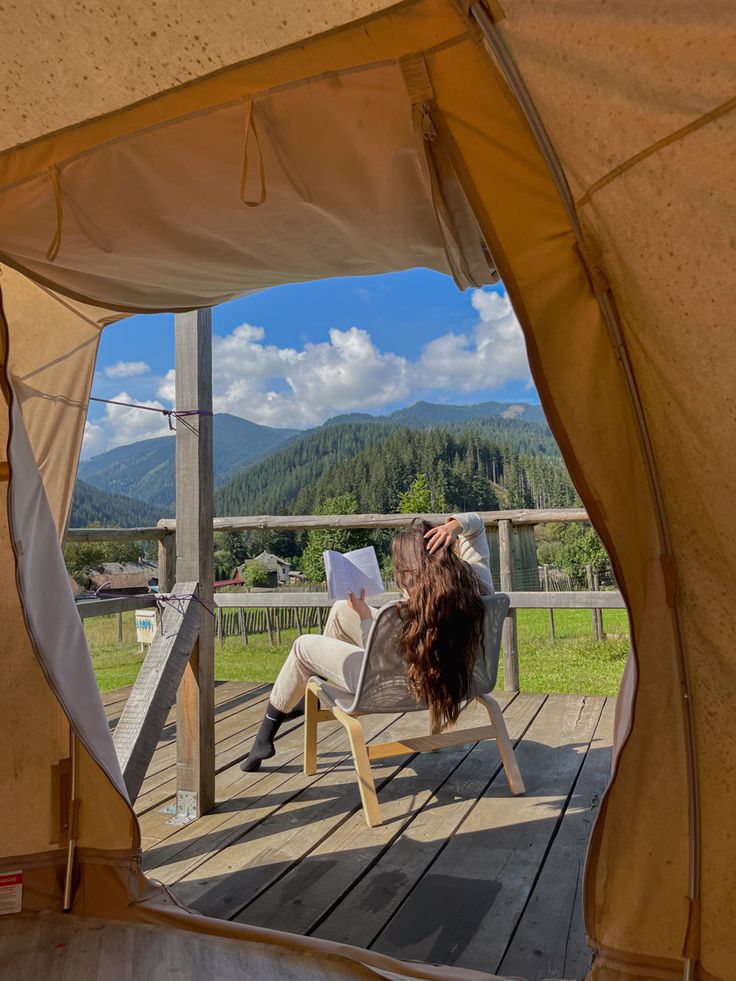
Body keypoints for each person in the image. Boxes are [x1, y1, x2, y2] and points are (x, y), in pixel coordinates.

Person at [240, 512, 494, 772]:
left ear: (410, 570)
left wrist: (365, 617)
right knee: (341, 609)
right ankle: (309, 699)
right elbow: (477, 526)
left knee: (303, 646)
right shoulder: (478, 586)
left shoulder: (406, 613)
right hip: (459, 676)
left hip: (392, 686)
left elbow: (380, 660)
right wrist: (454, 526)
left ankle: (265, 735)